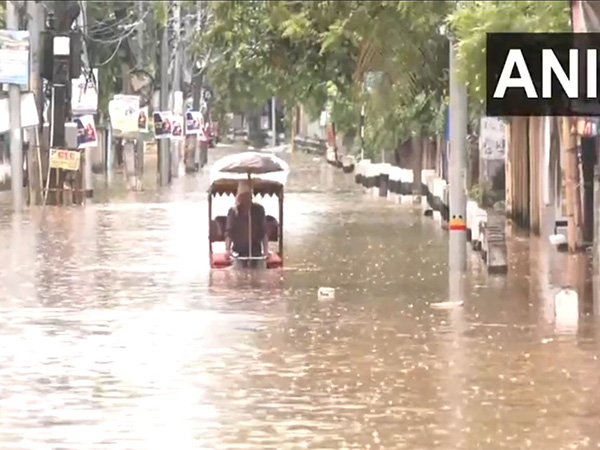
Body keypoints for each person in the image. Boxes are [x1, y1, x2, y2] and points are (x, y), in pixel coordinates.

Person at [225, 180, 269, 264]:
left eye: (247, 196)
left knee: (260, 269)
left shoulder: (259, 210)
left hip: (256, 252)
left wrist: (266, 251)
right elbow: (229, 233)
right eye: (243, 196)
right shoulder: (233, 212)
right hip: (238, 251)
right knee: (237, 271)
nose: (245, 199)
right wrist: (227, 250)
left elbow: (263, 233)